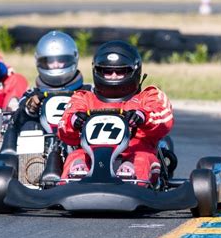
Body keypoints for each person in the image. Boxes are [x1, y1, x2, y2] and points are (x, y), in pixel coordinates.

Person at [57, 40, 174, 187]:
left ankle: (131, 183)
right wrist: (74, 121)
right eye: (107, 72)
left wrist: (142, 117)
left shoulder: (148, 97)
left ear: (134, 71)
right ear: (97, 71)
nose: (113, 76)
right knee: (75, 157)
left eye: (120, 72)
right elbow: (64, 127)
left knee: (141, 159)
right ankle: (73, 185)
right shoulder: (84, 98)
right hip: (91, 155)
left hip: (135, 152)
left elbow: (164, 119)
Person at [11, 30, 91, 131]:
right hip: (41, 144)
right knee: (29, 126)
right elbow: (18, 118)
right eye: (50, 61)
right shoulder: (32, 95)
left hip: (78, 140)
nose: (56, 65)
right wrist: (30, 108)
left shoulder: (87, 92)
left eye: (61, 60)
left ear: (73, 59)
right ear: (39, 61)